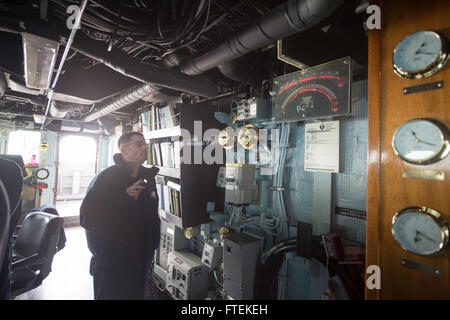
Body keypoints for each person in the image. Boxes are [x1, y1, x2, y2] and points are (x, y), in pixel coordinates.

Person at [80, 132, 160, 300]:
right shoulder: (106, 178)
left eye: (145, 143)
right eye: (139, 144)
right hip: (113, 262)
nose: (145, 147)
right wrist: (123, 197)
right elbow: (87, 219)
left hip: (142, 258)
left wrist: (152, 245)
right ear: (124, 149)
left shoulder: (147, 178)